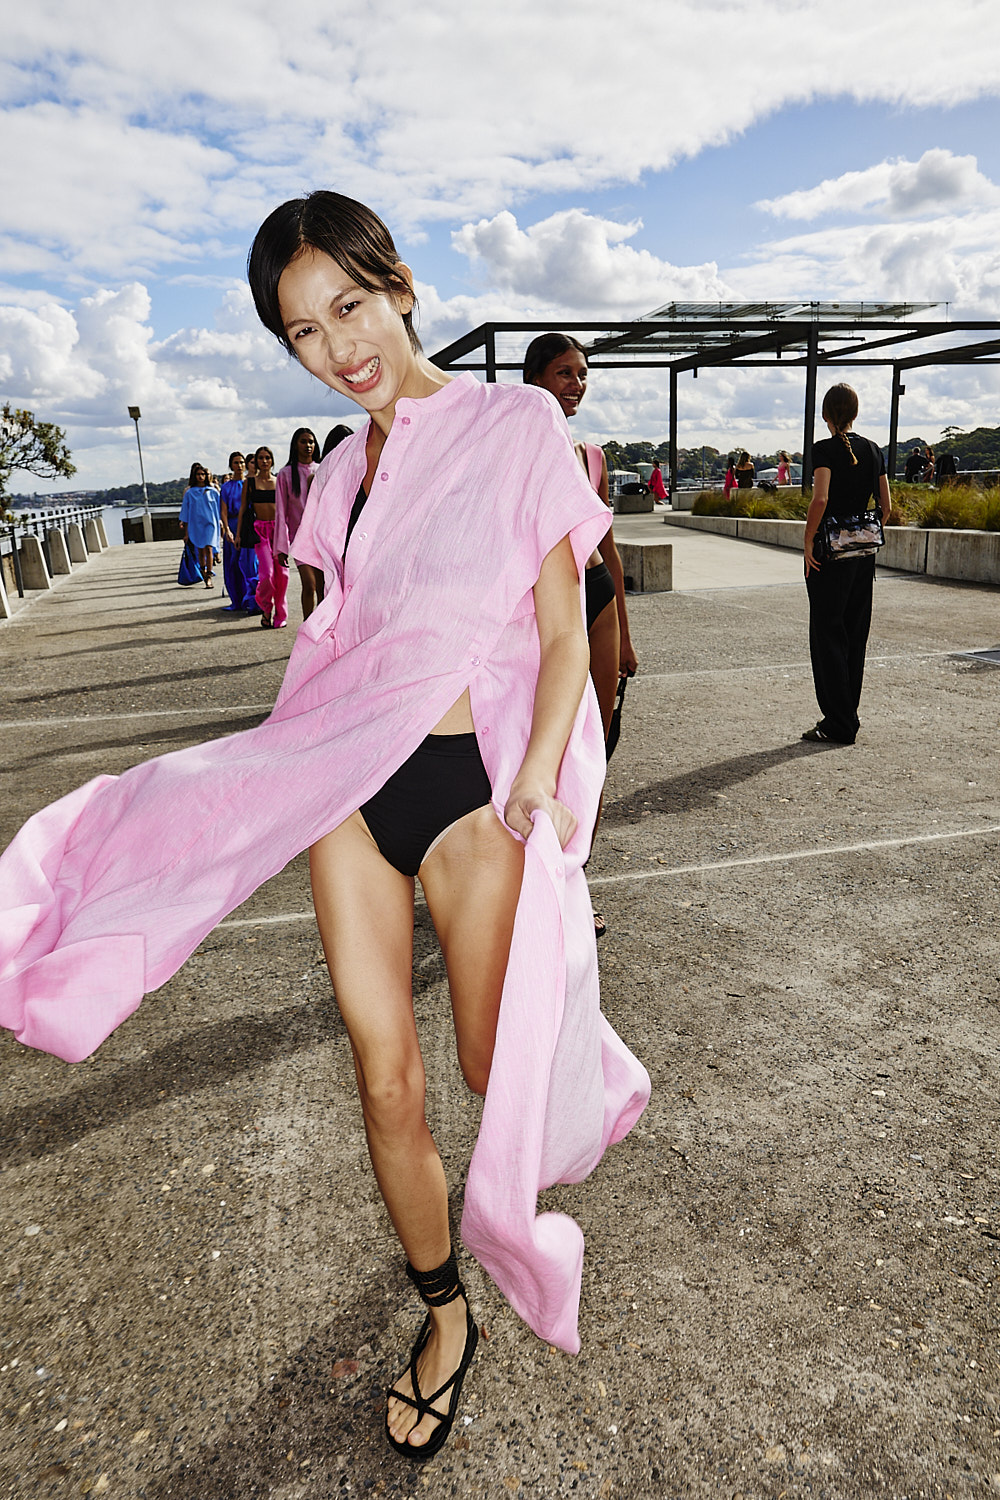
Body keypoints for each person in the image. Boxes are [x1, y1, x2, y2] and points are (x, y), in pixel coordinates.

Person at [0, 191, 651, 1465]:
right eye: (302, 334)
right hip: (350, 793)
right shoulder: (334, 475)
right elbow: (328, 640)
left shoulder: (518, 425)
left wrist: (536, 776)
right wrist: (270, 769)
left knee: (486, 1064)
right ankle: (443, 1313)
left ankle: (576, 1061)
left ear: (397, 285)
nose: (337, 348)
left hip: (475, 793)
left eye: (347, 307)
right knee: (384, 1076)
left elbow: (569, 632)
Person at [522, 333, 639, 941]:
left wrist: (625, 633)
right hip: (545, 608)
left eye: (583, 374)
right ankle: (530, 880)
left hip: (596, 597)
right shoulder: (515, 444)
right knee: (546, 743)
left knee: (598, 744)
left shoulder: (592, 455)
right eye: (565, 373)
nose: (577, 384)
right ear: (535, 378)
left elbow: (608, 544)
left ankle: (571, 881)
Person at [802, 383, 891, 744]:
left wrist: (808, 540)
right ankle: (847, 714)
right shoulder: (873, 450)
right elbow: (885, 506)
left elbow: (820, 498)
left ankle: (837, 721)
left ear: (826, 415)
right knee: (855, 633)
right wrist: (864, 531)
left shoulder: (823, 450)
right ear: (854, 413)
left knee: (827, 633)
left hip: (829, 553)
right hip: (862, 555)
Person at [275, 428, 323, 619]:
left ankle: (320, 630)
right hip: (299, 539)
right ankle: (307, 625)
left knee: (322, 587)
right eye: (303, 441)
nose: (308, 445)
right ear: (295, 445)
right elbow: (280, 512)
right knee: (309, 585)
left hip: (320, 538)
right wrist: (280, 547)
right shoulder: (285, 474)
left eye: (311, 441)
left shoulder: (322, 469)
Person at [236, 445, 286, 627]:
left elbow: (286, 508)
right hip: (260, 531)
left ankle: (280, 614)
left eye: (267, 458)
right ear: (256, 461)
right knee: (267, 574)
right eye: (261, 458)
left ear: (272, 461)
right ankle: (266, 608)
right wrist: (238, 535)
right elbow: (242, 509)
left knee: (283, 575)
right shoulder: (249, 483)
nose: (264, 461)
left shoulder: (279, 481)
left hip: (279, 531)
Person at [219, 452, 259, 612]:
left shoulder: (250, 483)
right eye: (236, 463)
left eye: (242, 462)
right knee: (232, 565)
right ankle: (236, 600)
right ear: (231, 465)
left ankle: (251, 599)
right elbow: (223, 511)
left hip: (248, 526)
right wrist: (227, 530)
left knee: (249, 564)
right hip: (232, 523)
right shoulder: (226, 487)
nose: (239, 465)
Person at [179, 463, 221, 589]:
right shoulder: (190, 493)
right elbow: (185, 513)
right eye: (198, 474)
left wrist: (222, 525)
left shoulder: (213, 491)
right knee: (201, 551)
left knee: (209, 548)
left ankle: (209, 574)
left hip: (210, 524)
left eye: (203, 474)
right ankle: (203, 573)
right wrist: (186, 533)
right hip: (196, 525)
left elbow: (220, 510)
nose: (201, 477)